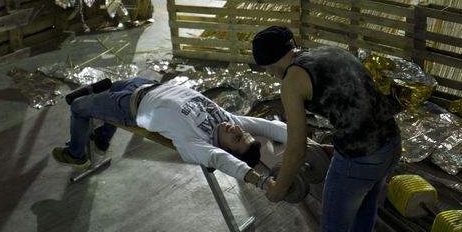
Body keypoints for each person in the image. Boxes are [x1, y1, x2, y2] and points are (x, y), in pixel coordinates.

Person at [252, 26, 402, 232]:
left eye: (266, 68)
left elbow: (295, 149)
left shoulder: (291, 82)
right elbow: (361, 103)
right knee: (368, 203)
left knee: (332, 230)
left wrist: (279, 189)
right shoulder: (328, 52)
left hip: (359, 157)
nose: (270, 74)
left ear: (269, 64)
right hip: (391, 143)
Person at [52, 77, 287, 186]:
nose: (235, 128)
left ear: (226, 148)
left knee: (78, 106)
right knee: (111, 84)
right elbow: (270, 127)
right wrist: (307, 142)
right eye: (241, 132)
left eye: (235, 138)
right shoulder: (230, 122)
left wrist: (260, 182)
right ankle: (102, 140)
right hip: (148, 84)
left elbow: (220, 160)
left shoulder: (197, 143)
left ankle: (77, 155)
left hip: (129, 106)